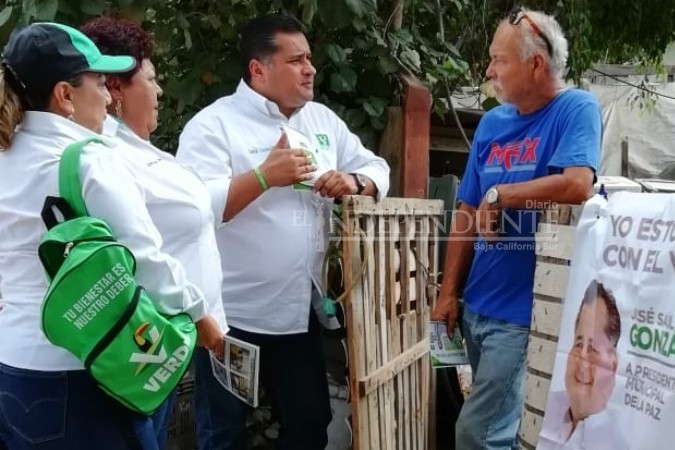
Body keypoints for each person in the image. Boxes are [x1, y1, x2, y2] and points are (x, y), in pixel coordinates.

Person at [0, 22, 221, 450]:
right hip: (82, 375)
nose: (107, 97)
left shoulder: (7, 155)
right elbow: (146, 260)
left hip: (12, 367)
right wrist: (201, 316)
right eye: (99, 83)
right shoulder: (87, 161)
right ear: (65, 95)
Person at [176, 13, 390, 450]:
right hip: (230, 316)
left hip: (298, 312)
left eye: (309, 58)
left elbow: (376, 168)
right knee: (223, 433)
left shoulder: (322, 121)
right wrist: (263, 176)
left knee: (311, 424)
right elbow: (195, 209)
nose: (310, 68)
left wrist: (354, 183)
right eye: (296, 60)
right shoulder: (214, 126)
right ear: (259, 69)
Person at [430, 6, 603, 450]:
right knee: (503, 431)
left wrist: (501, 194)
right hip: (478, 307)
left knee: (476, 433)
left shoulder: (574, 109)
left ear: (536, 63)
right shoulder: (492, 123)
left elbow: (577, 183)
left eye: (498, 60)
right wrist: (450, 292)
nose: (489, 70)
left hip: (524, 313)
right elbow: (467, 210)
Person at [80, 15, 230, 450]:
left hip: (169, 341)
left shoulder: (135, 149)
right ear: (116, 88)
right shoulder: (105, 155)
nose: (160, 90)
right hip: (142, 343)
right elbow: (138, 252)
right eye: (151, 77)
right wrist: (200, 314)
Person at [540, 281, 627, 450]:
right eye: (579, 344)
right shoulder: (547, 406)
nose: (583, 362)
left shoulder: (618, 442)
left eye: (593, 349)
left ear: (613, 365)